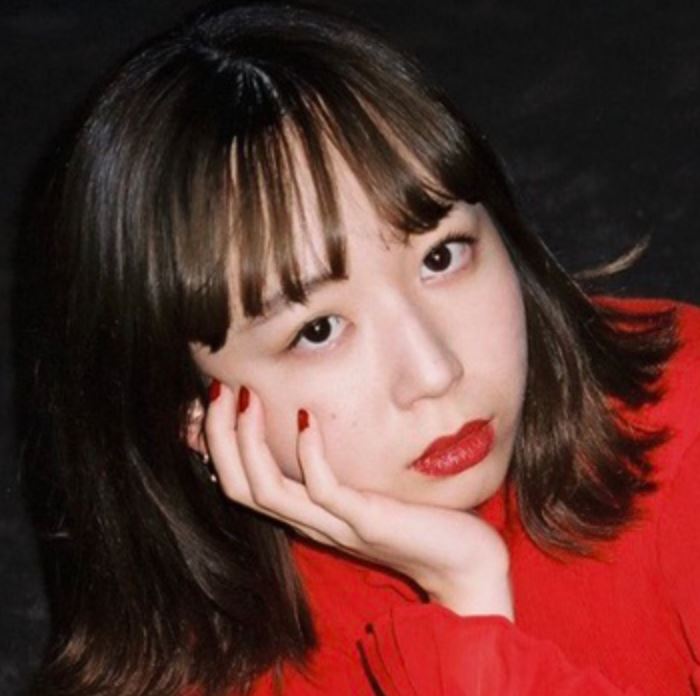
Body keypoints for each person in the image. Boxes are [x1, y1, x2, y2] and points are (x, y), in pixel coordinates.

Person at [28, 1, 700, 694]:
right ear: (196, 415)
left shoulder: (683, 426)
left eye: (442, 256)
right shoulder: (211, 667)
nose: (435, 371)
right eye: (318, 329)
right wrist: (468, 589)